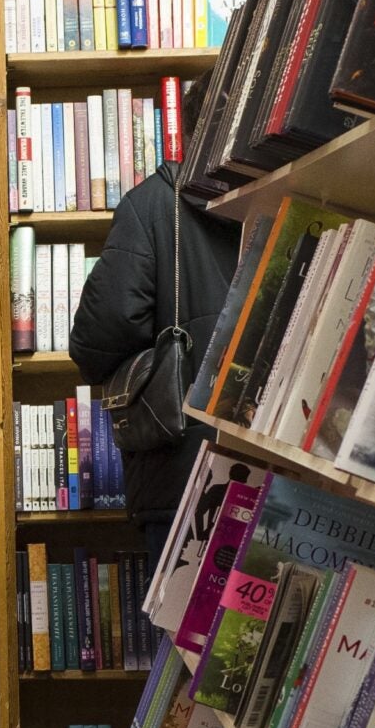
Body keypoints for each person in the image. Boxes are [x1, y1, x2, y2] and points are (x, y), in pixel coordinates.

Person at [68, 158, 244, 570]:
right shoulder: (314, 175)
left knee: (185, 629)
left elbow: (98, 337)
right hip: (304, 469)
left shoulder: (155, 203)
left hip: (187, 471)